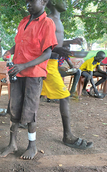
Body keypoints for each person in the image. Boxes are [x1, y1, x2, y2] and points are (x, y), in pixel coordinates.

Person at [0, 0, 57, 160]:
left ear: (44, 2)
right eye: (26, 2)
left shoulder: (48, 23)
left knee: (30, 111)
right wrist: (10, 51)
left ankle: (32, 146)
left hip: (33, 74)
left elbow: (47, 53)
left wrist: (23, 65)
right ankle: (12, 144)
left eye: (32, 1)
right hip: (17, 72)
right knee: (14, 108)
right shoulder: (24, 21)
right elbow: (19, 44)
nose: (28, 4)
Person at [41, 0, 93, 149]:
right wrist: (57, 50)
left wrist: (71, 41)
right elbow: (40, 45)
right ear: (54, 2)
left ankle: (23, 122)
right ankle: (67, 136)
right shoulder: (49, 19)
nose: (66, 3)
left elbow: (56, 43)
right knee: (64, 97)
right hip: (47, 64)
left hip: (52, 63)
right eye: (63, 1)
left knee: (30, 95)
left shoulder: (57, 20)